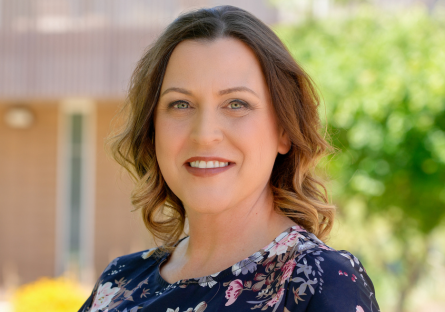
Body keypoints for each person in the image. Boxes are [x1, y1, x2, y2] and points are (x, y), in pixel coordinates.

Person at [79, 5, 379, 312]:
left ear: (284, 131)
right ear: (152, 129)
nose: (204, 134)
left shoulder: (319, 282)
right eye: (180, 104)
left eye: (236, 103)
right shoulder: (118, 284)